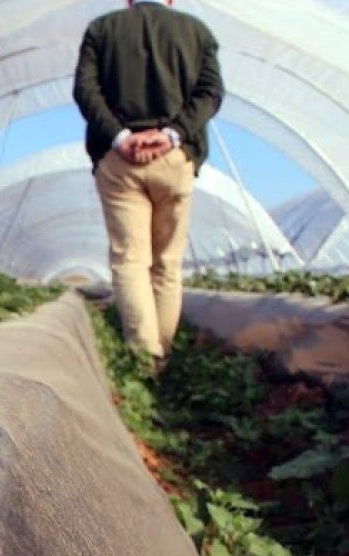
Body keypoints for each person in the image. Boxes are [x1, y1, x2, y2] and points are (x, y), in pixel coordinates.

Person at [73, 0, 223, 365]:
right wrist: (172, 134)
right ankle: (164, 356)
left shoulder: (101, 30)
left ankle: (144, 355)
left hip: (119, 161)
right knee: (167, 262)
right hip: (174, 159)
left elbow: (86, 91)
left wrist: (121, 137)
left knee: (130, 260)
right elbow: (210, 93)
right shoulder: (196, 31)